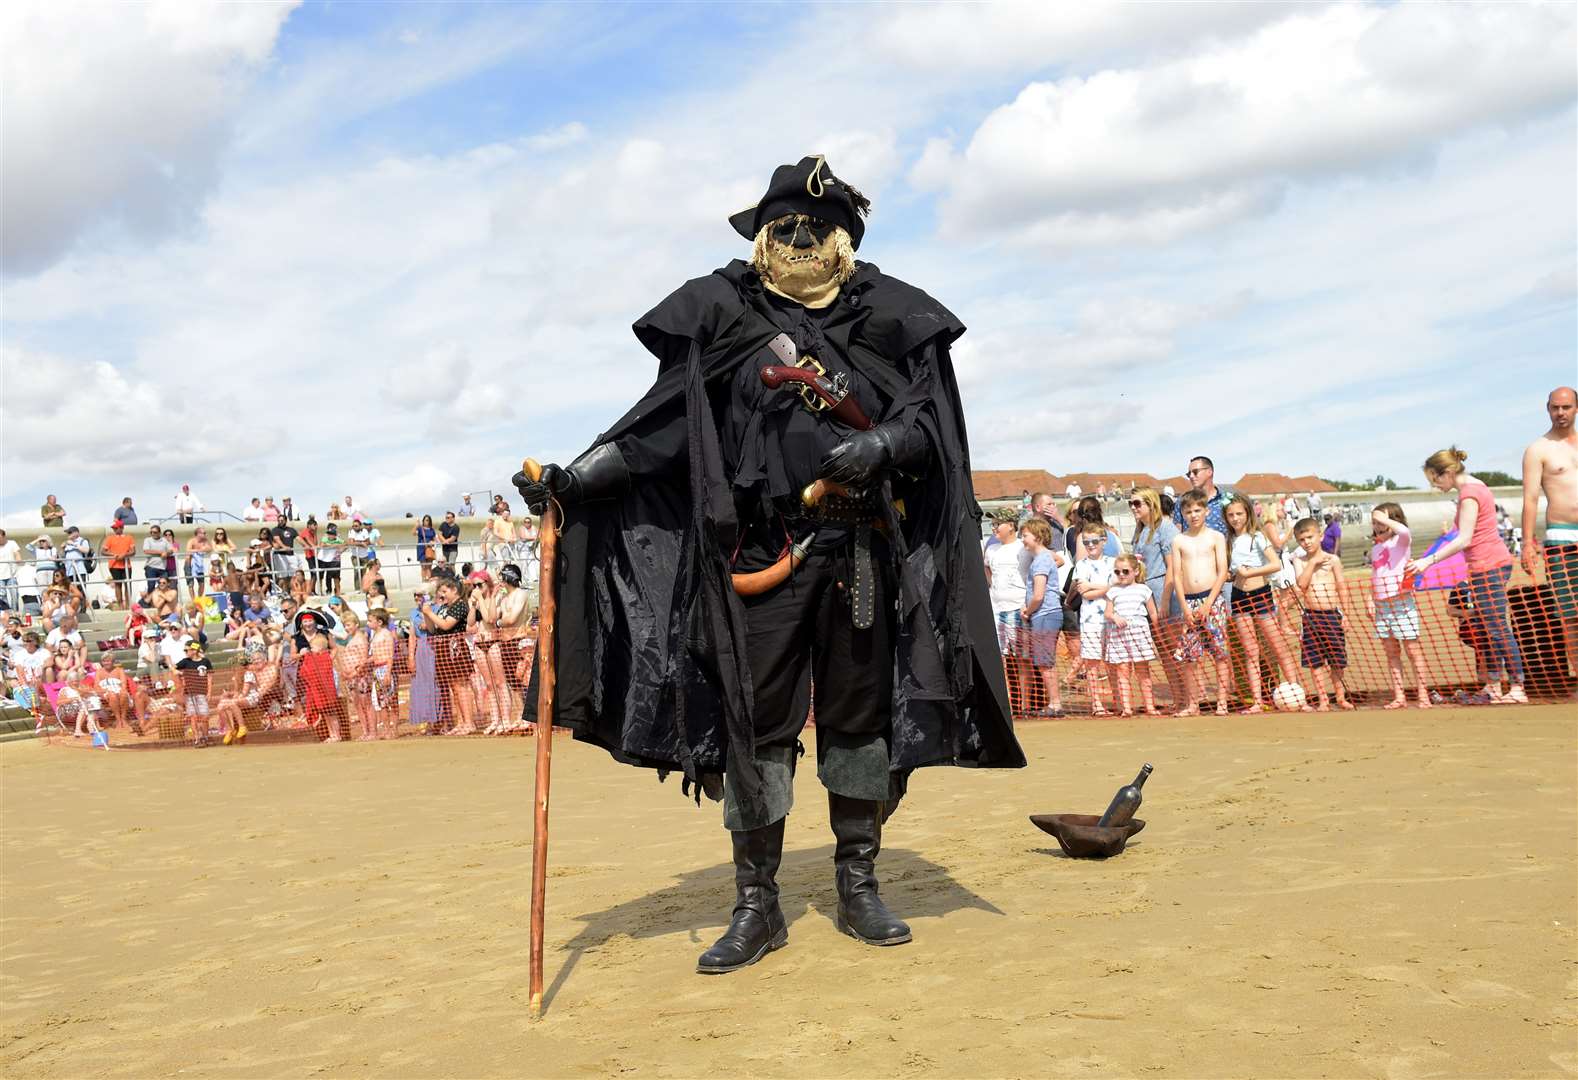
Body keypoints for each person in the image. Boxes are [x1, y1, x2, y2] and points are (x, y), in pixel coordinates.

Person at [511, 154, 1023, 974]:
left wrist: (883, 443)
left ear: (844, 240)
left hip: (861, 551)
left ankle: (858, 883)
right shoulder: (723, 314)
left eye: (812, 226)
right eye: (780, 226)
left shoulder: (893, 314)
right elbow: (662, 435)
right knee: (758, 725)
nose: (796, 238)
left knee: (858, 722)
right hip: (759, 553)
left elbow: (935, 432)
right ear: (759, 239)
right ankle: (759, 903)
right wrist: (576, 480)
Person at [1405, 448, 1527, 705]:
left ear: (1448, 472)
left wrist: (1429, 560)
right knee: (1486, 627)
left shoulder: (1469, 493)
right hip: (1484, 566)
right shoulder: (1474, 487)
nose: (1435, 486)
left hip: (1489, 565)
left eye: (1435, 479)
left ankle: (1517, 687)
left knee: (1496, 628)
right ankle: (1493, 685)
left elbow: (1464, 538)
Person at [1521, 386, 1578, 691]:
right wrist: (1527, 544)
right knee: (1570, 615)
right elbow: (1530, 498)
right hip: (1561, 540)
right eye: (1555, 407)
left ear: (1576, 408)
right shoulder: (1538, 450)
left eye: (1566, 407)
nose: (1561, 413)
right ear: (1547, 409)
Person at [1224, 495, 1298, 713]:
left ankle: (1294, 692)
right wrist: (1231, 575)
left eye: (1239, 514)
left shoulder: (1257, 536)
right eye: (1231, 515)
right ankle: (1257, 701)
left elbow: (1275, 564)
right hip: (1238, 597)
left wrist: (1251, 572)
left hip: (1260, 594)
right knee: (1250, 650)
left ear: (1248, 513)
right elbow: (1235, 570)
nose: (1235, 519)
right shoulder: (1229, 541)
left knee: (1277, 645)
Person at [1169, 490, 1232, 717]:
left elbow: (1222, 571)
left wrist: (1209, 603)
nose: (1193, 515)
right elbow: (1176, 575)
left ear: (1206, 511)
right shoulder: (1179, 540)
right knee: (1189, 657)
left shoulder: (1216, 537)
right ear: (1183, 514)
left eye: (1197, 510)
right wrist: (1185, 607)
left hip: (1212, 601)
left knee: (1220, 653)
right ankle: (1193, 703)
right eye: (1188, 511)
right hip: (1189, 601)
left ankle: (1222, 703)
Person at [1367, 504, 1431, 710]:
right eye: (1374, 523)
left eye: (1381, 522)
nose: (1377, 526)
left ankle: (1423, 695)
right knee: (1391, 652)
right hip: (1382, 606)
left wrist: (1385, 520)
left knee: (1412, 650)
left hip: (1401, 604)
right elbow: (1375, 576)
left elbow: (1404, 531)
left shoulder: (1400, 542)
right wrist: (1371, 599)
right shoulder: (1376, 548)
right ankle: (1399, 696)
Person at [1290, 518, 1354, 711]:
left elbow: (1342, 587)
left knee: (1337, 659)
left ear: (1320, 535)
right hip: (1311, 616)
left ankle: (1340, 697)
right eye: (1302, 539)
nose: (1307, 542)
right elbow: (1301, 584)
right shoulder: (1299, 561)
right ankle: (1323, 699)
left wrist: (1347, 615)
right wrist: (1313, 563)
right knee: (1315, 661)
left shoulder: (1333, 560)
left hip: (1332, 615)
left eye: (1310, 537)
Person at [1129, 487, 1183, 704]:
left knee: (1176, 648)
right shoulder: (1141, 531)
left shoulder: (1166, 528)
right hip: (1147, 595)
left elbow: (1173, 566)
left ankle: (1190, 698)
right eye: (1131, 504)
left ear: (1151, 504)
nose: (1133, 508)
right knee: (1163, 650)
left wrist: (1165, 600)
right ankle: (1179, 698)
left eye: (1137, 503)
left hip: (1164, 592)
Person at [1014, 517, 1064, 718]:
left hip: (1045, 613)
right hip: (1043, 614)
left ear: (1037, 536)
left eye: (1025, 535)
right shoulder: (1042, 558)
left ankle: (1055, 704)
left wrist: (1028, 610)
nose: (1023, 540)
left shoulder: (1042, 559)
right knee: (1044, 661)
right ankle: (1054, 703)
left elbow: (1039, 594)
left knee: (1045, 662)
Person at [984, 512, 1031, 714]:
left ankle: (1027, 703)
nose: (994, 528)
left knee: (1021, 657)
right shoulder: (991, 548)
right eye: (993, 524)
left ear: (1011, 526)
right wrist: (992, 584)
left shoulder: (1022, 546)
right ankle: (1008, 702)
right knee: (1001, 659)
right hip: (996, 607)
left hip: (1017, 607)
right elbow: (986, 568)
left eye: (998, 524)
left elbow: (1052, 560)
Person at [421, 574, 477, 736]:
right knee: (454, 688)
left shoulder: (460, 605)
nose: (441, 595)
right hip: (444, 650)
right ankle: (461, 721)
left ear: (454, 590)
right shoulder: (444, 607)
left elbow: (446, 625)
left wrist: (431, 614)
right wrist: (427, 613)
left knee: (461, 686)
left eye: (444, 591)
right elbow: (433, 629)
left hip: (456, 648)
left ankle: (469, 722)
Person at [1104, 553, 1160, 716]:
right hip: (1119, 635)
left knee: (1143, 671)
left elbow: (1153, 614)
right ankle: (1127, 708)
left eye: (1125, 571)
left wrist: (1157, 635)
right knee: (1122, 671)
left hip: (1139, 633)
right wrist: (1115, 617)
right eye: (1117, 572)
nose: (1121, 575)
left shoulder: (1144, 590)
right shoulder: (1113, 591)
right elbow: (1108, 613)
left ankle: (1150, 706)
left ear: (1135, 571)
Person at [1071, 521, 1116, 715]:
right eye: (1086, 542)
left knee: (1113, 662)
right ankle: (1096, 704)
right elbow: (1084, 593)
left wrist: (1094, 586)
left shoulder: (1113, 562)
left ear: (1103, 541)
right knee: (1092, 663)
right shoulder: (1081, 565)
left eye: (1094, 541)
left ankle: (1119, 700)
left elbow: (1116, 587)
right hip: (1090, 620)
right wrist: (1103, 588)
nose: (1090, 545)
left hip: (1111, 617)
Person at [1171, 456, 1234, 537]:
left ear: (1209, 472)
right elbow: (1177, 533)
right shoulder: (1182, 501)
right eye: (1189, 474)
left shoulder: (1227, 499)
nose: (1191, 476)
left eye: (1195, 472)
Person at [366, 608, 400, 739]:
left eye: (370, 621)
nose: (368, 623)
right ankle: (386, 729)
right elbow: (375, 655)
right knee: (382, 703)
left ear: (379, 622)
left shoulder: (386, 634)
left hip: (386, 668)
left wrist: (388, 673)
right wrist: (365, 662)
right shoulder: (375, 636)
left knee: (391, 700)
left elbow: (390, 655)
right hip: (377, 669)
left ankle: (394, 729)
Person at [174, 640, 213, 746]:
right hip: (190, 693)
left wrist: (209, 692)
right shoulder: (185, 661)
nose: (186, 652)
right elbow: (174, 668)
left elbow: (209, 677)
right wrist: (179, 673)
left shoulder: (205, 662)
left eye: (187, 650)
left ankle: (205, 737)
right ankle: (197, 738)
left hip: (202, 692)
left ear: (194, 650)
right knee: (193, 716)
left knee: (204, 716)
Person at [141, 525, 171, 592]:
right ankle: (150, 602)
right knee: (151, 586)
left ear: (159, 532)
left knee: (165, 586)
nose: (152, 534)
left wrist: (166, 553)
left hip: (162, 568)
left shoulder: (164, 540)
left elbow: (171, 550)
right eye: (151, 532)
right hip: (151, 567)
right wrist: (161, 552)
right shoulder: (147, 540)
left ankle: (162, 602)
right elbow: (146, 551)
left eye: (154, 532)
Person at [317, 523, 344, 595]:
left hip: (332, 559)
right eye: (329, 533)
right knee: (320, 576)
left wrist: (341, 551)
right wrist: (335, 545)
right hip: (322, 559)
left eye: (331, 533)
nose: (330, 535)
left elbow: (345, 544)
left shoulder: (338, 539)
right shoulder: (325, 537)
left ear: (335, 534)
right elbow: (322, 545)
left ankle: (335, 591)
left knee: (333, 576)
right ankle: (320, 592)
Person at [185, 527, 212, 597]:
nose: (206, 534)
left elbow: (210, 549)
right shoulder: (192, 541)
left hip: (199, 565)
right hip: (189, 564)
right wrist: (200, 549)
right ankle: (193, 601)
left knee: (202, 584)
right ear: (198, 534)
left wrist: (204, 548)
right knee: (191, 584)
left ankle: (199, 599)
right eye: (204, 533)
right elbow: (188, 550)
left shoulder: (205, 541)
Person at [0, 530, 19, 611]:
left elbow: (17, 554)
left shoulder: (12, 543)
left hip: (12, 574)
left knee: (14, 594)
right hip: (0, 575)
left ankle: (15, 612)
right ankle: (6, 613)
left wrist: (18, 559)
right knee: (2, 596)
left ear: (4, 536)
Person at [414, 515, 437, 580]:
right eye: (425, 520)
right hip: (421, 548)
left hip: (429, 548)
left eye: (428, 520)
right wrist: (416, 526)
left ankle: (429, 580)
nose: (427, 521)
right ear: (423, 521)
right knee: (423, 566)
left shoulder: (432, 529)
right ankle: (424, 580)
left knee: (429, 566)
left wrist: (432, 542)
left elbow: (435, 539)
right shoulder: (420, 529)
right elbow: (413, 533)